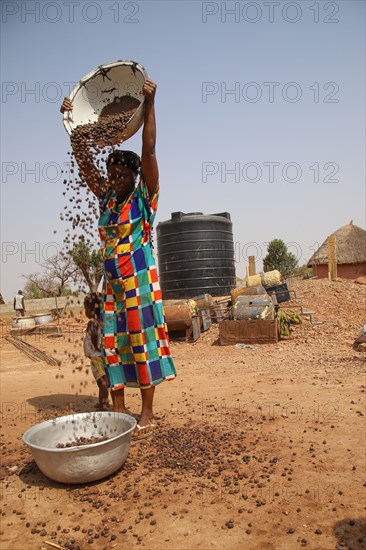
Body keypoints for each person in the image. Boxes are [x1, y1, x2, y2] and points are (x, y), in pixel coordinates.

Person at [61, 78, 176, 439]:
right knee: (113, 348)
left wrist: (151, 105)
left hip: (140, 288)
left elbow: (151, 150)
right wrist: (74, 129)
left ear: (135, 175)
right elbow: (84, 167)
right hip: (112, 291)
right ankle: (118, 411)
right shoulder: (107, 200)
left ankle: (147, 413)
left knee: (142, 346)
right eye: (112, 175)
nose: (115, 180)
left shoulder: (144, 201)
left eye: (122, 174)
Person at [83, 293, 110, 411]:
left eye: (86, 309)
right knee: (104, 382)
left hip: (97, 358)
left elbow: (94, 337)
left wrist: (95, 347)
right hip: (101, 356)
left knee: (102, 383)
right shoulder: (102, 321)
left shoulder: (93, 323)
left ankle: (103, 406)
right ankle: (103, 403)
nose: (85, 311)